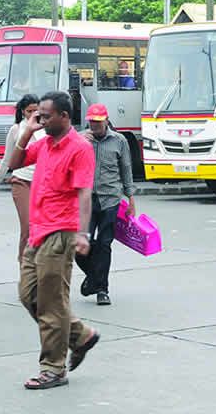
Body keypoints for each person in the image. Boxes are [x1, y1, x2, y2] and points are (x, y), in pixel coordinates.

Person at [3, 91, 102, 390]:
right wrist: (27, 131)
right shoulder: (44, 143)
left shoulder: (79, 148)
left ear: (64, 116)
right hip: (38, 230)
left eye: (46, 116)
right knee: (27, 295)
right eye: (39, 116)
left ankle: (53, 368)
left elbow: (84, 192)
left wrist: (83, 234)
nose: (41, 120)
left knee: (51, 304)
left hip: (61, 232)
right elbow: (14, 163)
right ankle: (79, 335)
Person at [76, 104, 135, 306]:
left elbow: (126, 170)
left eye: (98, 122)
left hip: (110, 199)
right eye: (92, 121)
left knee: (104, 244)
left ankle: (102, 289)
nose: (95, 125)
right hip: (86, 199)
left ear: (107, 120)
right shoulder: (79, 139)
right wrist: (78, 142)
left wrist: (131, 200)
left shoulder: (119, 141)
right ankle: (94, 277)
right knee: (81, 246)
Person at [0, 94, 45, 261]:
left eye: (37, 110)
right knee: (27, 227)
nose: (33, 114)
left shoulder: (45, 128)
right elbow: (6, 161)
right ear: (22, 112)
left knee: (42, 228)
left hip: (43, 182)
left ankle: (39, 265)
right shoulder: (16, 130)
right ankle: (24, 264)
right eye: (29, 111)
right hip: (21, 181)